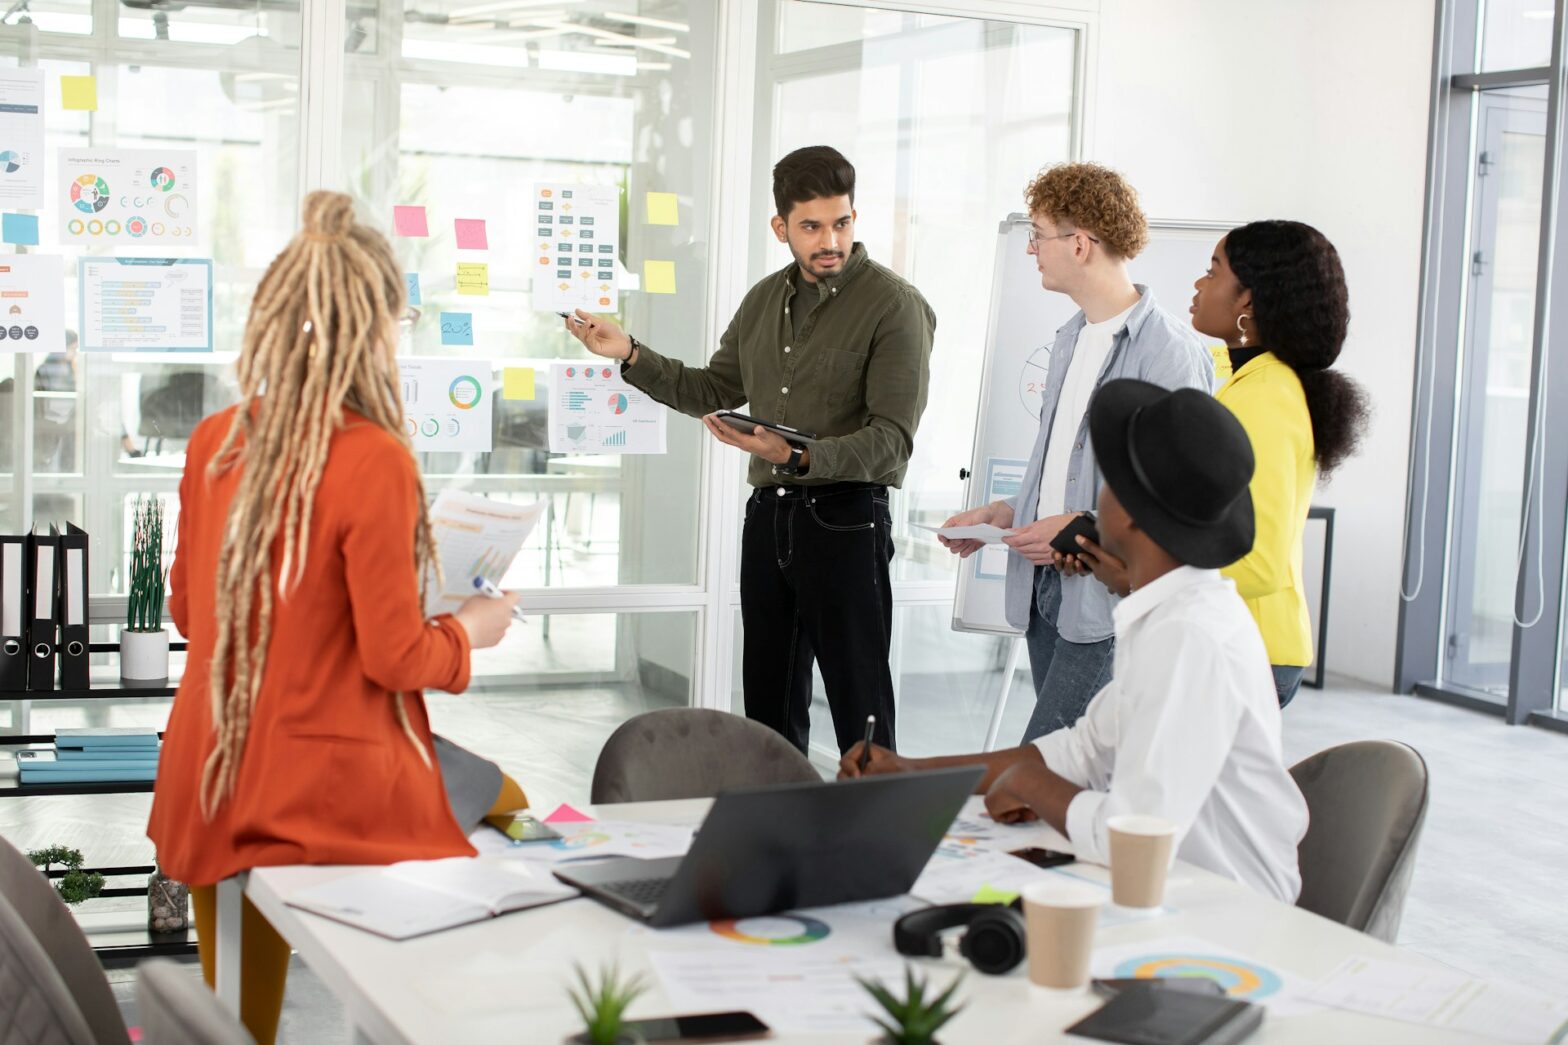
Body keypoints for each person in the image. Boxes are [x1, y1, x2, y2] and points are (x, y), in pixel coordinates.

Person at [146, 192, 524, 1044]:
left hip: (211, 770)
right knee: (513, 808)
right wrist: (470, 630)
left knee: (237, 1020)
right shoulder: (373, 457)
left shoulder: (216, 439)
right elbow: (393, 657)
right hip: (317, 784)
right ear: (376, 323)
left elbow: (184, 604)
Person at [843, 380, 1309, 903]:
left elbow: (1136, 833)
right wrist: (913, 775)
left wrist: (1029, 784)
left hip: (1228, 913)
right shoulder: (1167, 613)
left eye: (1105, 487)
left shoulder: (1188, 635)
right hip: (1171, 890)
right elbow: (1084, 750)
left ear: (1129, 516)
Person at [565, 146, 935, 755]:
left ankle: (871, 838)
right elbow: (711, 388)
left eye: (840, 223)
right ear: (781, 227)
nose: (830, 241)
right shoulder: (764, 300)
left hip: (846, 517)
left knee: (858, 700)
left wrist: (797, 456)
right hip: (770, 518)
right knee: (768, 700)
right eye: (811, 226)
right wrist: (630, 351)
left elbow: (893, 438)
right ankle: (776, 833)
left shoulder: (894, 306)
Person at [939, 163, 1213, 742]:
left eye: (1039, 234)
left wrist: (1080, 527)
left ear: (1081, 244)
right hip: (1048, 593)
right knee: (1077, 774)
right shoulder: (1070, 339)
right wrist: (1005, 513)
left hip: (1108, 602)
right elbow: (1064, 466)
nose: (1032, 248)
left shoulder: (1170, 354)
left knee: (1044, 763)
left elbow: (1176, 501)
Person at [1184, 220, 1369, 707]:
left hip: (1249, 648)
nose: (1199, 284)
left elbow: (1258, 561)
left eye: (1213, 271)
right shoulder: (1238, 377)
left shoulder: (1268, 397)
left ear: (1247, 299)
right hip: (1231, 640)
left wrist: (1146, 565)